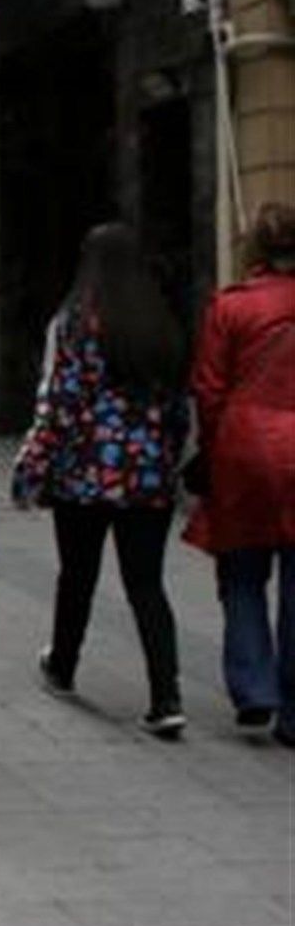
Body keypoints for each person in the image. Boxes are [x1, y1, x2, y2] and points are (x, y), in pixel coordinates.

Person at [12, 224, 191, 737]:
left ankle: (63, 664)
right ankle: (167, 695)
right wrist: (169, 459)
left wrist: (32, 467)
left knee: (78, 574)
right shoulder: (159, 321)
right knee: (146, 583)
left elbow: (60, 403)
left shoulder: (75, 322)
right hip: (147, 476)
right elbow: (177, 407)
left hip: (84, 476)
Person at [186, 202, 295, 746]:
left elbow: (208, 388)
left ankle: (255, 688)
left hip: (245, 447)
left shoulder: (231, 307)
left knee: (243, 575)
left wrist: (212, 447)